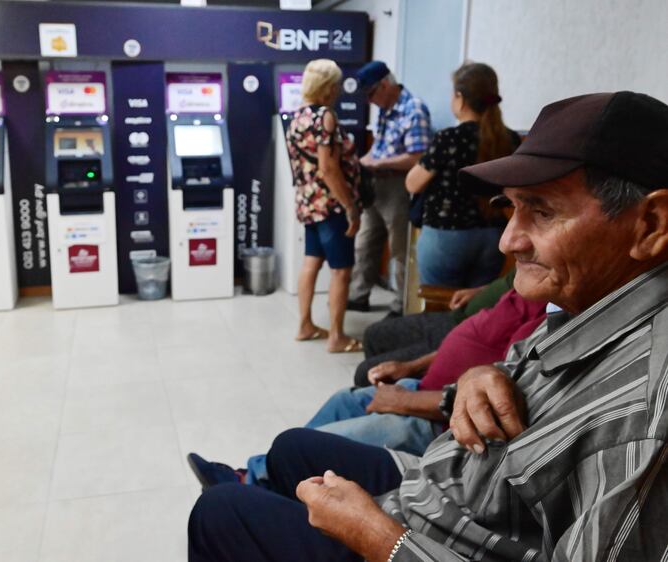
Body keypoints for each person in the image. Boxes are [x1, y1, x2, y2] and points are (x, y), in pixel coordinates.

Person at [188, 91, 668, 561]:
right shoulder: (588, 303)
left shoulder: (646, 415)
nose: (507, 241)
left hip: (428, 539)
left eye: (542, 212)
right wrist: (481, 376)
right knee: (291, 447)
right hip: (444, 489)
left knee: (221, 513)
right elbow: (519, 370)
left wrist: (378, 537)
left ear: (651, 225)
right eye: (511, 207)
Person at [187, 288, 545, 489]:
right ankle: (259, 474)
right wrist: (410, 367)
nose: (510, 240)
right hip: (421, 386)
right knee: (342, 402)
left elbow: (495, 399)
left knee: (323, 447)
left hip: (437, 422)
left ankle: (255, 482)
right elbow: (472, 342)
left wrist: (404, 401)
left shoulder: (546, 319)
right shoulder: (526, 284)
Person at [406, 61, 520, 287]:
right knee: (476, 306)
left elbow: (413, 184)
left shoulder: (449, 138)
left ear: (460, 97)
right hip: (493, 237)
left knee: (438, 304)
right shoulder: (510, 139)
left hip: (446, 235)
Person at [287, 59, 363, 352]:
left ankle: (304, 325)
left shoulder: (297, 116)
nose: (339, 90)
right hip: (330, 206)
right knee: (341, 271)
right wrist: (350, 206)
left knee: (311, 262)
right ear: (328, 87)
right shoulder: (325, 117)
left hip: (308, 204)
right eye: (336, 85)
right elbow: (328, 168)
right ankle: (336, 337)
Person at [347, 61, 431, 315]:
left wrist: (380, 163)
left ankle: (401, 304)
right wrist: (361, 162)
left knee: (400, 249)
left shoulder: (413, 109)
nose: (369, 101)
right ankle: (358, 295)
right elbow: (379, 148)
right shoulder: (385, 109)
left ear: (385, 85)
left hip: (399, 185)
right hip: (375, 184)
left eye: (371, 94)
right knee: (365, 242)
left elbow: (419, 157)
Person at [353, 269, 515, 386]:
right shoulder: (525, 270)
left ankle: (384, 405)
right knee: (373, 334)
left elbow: (484, 351)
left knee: (366, 372)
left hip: (466, 339)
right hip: (456, 317)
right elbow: (510, 281)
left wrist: (412, 367)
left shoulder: (529, 308)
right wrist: (480, 290)